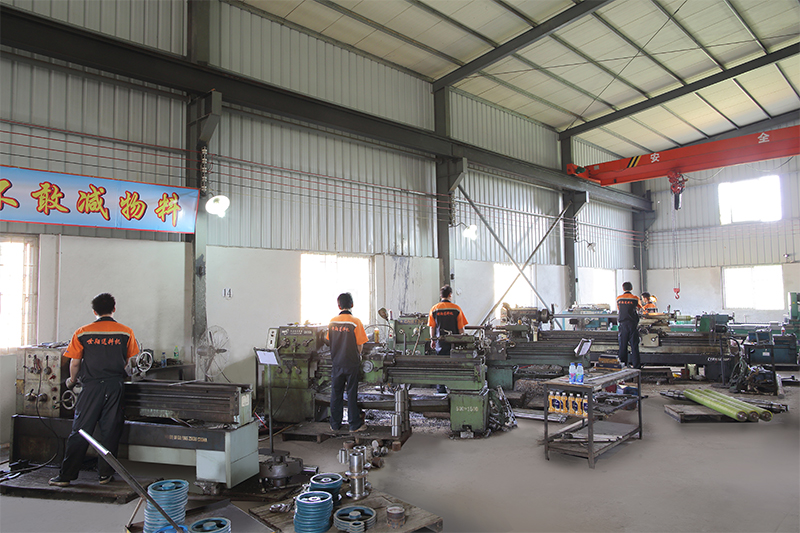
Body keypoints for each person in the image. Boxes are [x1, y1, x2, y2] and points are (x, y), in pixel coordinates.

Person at [49, 293, 138, 487]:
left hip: (91, 387)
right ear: (114, 309)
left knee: (81, 430)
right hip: (115, 386)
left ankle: (66, 476)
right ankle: (105, 475)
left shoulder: (82, 332)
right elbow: (127, 361)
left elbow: (75, 363)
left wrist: (72, 381)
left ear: (94, 311)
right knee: (111, 430)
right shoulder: (126, 332)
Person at [328, 292, 368, 433]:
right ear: (352, 305)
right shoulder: (355, 322)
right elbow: (360, 345)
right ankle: (354, 425)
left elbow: (329, 341)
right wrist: (358, 356)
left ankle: (334, 424)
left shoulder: (332, 322)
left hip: (337, 363)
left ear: (339, 306)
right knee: (351, 393)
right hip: (351, 363)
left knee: (336, 393)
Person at [428, 285, 468, 393]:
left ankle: (441, 389)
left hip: (440, 343)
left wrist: (433, 340)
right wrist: (463, 341)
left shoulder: (434, 309)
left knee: (441, 365)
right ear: (450, 295)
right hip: (454, 343)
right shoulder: (456, 309)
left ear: (441, 295)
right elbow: (461, 329)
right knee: (454, 365)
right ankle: (455, 388)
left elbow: (432, 327)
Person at [616, 282, 643, 369]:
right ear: (631, 288)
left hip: (623, 324)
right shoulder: (635, 298)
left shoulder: (619, 298)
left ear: (623, 288)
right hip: (632, 324)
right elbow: (640, 307)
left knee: (622, 346)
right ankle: (636, 366)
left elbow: (619, 309)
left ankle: (623, 365)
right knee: (634, 346)